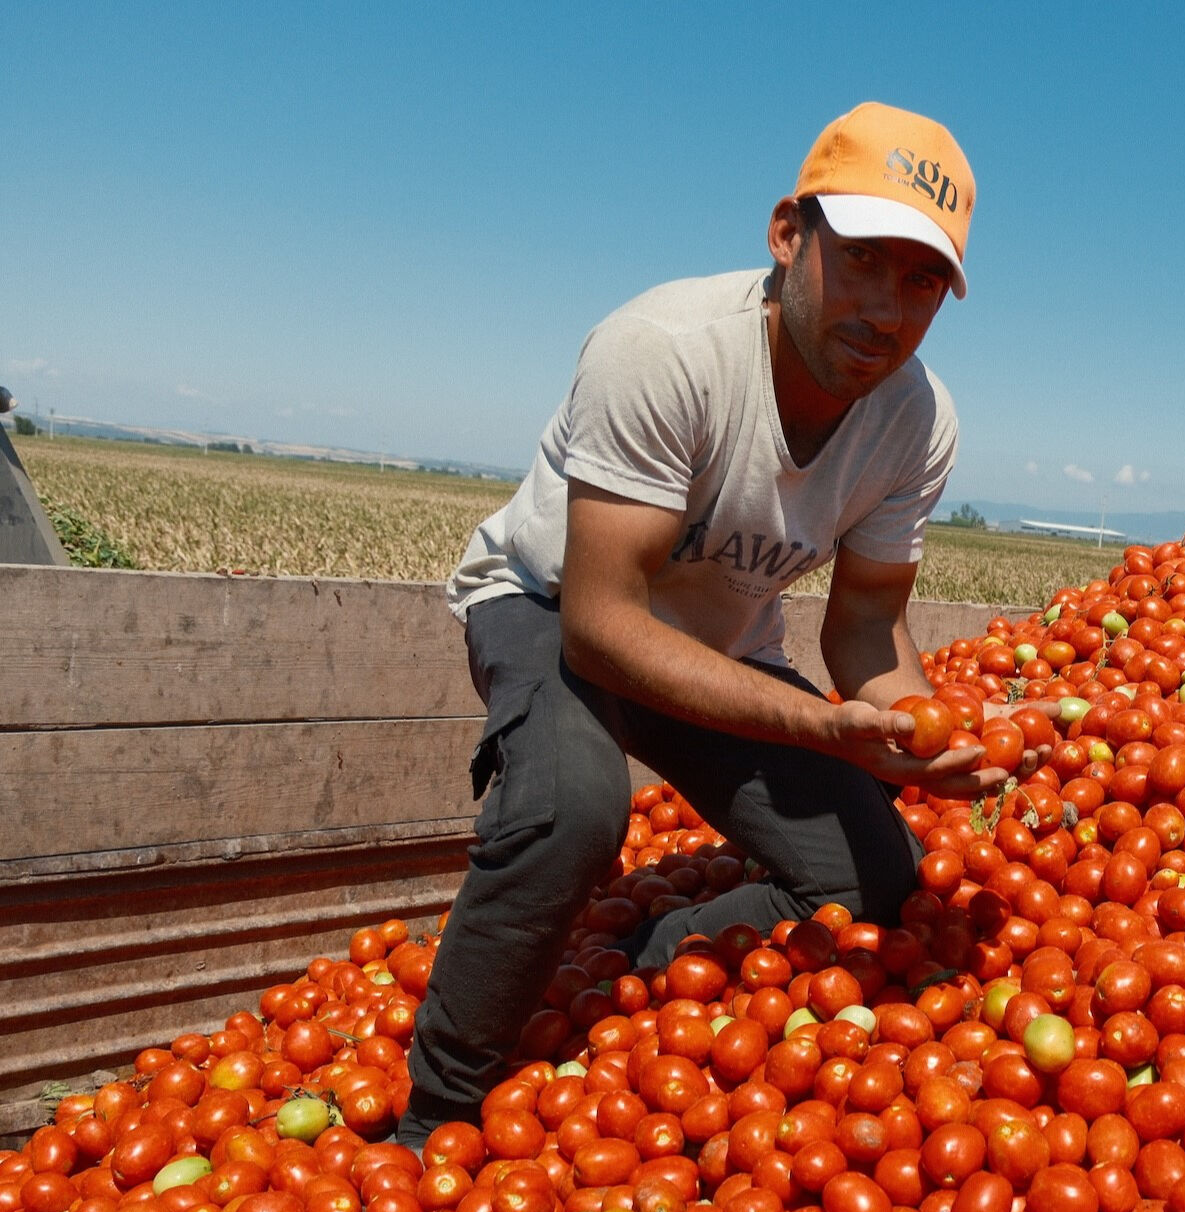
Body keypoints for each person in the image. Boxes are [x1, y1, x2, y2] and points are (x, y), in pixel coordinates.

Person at [398, 103, 1028, 1148]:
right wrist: (823, 728)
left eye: (922, 281)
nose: (886, 309)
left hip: (718, 648)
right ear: (788, 235)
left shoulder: (915, 421)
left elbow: (866, 629)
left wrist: (934, 732)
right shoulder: (665, 351)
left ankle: (639, 958)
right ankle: (437, 1113)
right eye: (862, 259)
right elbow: (603, 626)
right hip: (554, 608)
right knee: (571, 812)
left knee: (879, 876)